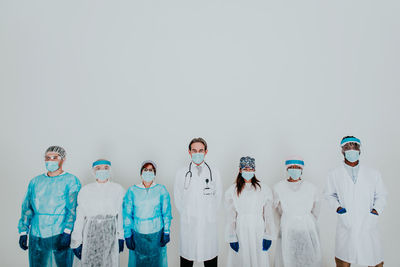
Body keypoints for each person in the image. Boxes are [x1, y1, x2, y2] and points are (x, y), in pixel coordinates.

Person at [324, 136, 388, 267]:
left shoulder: (373, 173)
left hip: (368, 223)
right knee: (344, 259)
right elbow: (329, 194)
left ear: (360, 150)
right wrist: (339, 209)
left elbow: (381, 195)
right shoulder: (334, 174)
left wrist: (375, 212)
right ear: (342, 151)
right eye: (347, 147)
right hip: (346, 223)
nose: (351, 150)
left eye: (355, 147)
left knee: (374, 258)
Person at [18, 146, 81, 267]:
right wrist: (23, 232)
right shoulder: (35, 182)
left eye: (54, 158)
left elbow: (73, 209)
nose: (50, 161)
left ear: (63, 159)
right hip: (37, 233)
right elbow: (27, 208)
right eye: (47, 158)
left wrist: (67, 231)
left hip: (59, 232)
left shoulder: (71, 181)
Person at [174, 137, 223, 267]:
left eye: (201, 150)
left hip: (208, 223)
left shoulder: (214, 172)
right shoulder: (181, 173)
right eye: (194, 150)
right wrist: (187, 214)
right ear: (189, 152)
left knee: (210, 257)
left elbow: (218, 197)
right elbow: (178, 197)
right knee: (187, 258)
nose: (197, 153)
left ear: (206, 152)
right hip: (189, 223)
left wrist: (209, 214)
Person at [71, 159, 125, 266]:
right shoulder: (86, 190)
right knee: (90, 262)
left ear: (110, 170)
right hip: (90, 233)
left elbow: (121, 215)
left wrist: (120, 236)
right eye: (98, 168)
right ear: (93, 171)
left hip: (111, 233)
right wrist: (76, 241)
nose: (102, 171)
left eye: (105, 168)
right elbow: (80, 217)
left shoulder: (118, 189)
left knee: (109, 262)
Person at [225, 156, 275, 267]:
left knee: (259, 257)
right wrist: (231, 236)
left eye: (250, 169)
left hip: (258, 228)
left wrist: (268, 235)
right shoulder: (232, 190)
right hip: (241, 229)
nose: (248, 172)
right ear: (240, 170)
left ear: (254, 170)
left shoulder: (263, 189)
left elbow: (268, 215)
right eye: (245, 169)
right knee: (242, 259)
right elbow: (231, 216)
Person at [273, 156, 322, 267]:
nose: (294, 169)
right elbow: (275, 208)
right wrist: (283, 221)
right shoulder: (279, 187)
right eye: (291, 167)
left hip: (307, 227)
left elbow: (317, 208)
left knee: (309, 257)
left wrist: (309, 220)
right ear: (287, 169)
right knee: (288, 257)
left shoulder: (311, 187)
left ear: (301, 170)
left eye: (297, 167)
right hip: (288, 227)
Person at [123, 160, 172, 267]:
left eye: (151, 170)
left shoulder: (161, 189)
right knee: (138, 261)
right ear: (141, 173)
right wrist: (127, 234)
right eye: (145, 170)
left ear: (154, 174)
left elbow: (166, 212)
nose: (148, 172)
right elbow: (127, 214)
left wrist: (166, 231)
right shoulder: (132, 190)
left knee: (156, 261)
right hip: (137, 233)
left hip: (157, 233)